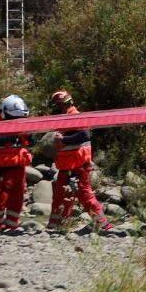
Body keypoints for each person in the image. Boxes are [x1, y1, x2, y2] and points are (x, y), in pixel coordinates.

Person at [45, 90, 112, 232]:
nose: (54, 111)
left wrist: (63, 140)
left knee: (86, 197)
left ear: (61, 105)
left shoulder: (74, 117)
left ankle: (104, 225)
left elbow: (84, 134)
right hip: (68, 167)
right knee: (59, 198)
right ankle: (54, 227)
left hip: (78, 167)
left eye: (55, 107)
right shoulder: (66, 118)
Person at [0, 95, 32, 233]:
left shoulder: (22, 124)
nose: (17, 121)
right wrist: (16, 134)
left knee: (17, 200)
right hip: (1, 171)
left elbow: (32, 141)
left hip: (19, 169)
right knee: (0, 200)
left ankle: (12, 227)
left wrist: (27, 135)